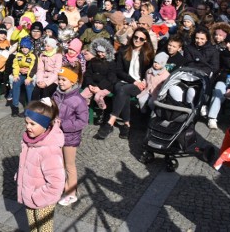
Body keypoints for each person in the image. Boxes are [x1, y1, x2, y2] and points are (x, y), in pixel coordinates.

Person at [94, 27, 155, 140]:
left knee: (123, 90)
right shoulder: (124, 50)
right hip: (124, 81)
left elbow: (150, 70)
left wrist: (143, 81)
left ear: (145, 41)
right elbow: (119, 71)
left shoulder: (148, 53)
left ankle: (110, 123)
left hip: (140, 84)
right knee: (122, 90)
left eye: (141, 39)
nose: (137, 40)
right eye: (135, 37)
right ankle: (127, 125)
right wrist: (133, 81)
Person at [16, 98, 65, 232]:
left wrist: (37, 197)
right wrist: (20, 176)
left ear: (44, 125)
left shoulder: (49, 150)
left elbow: (57, 184)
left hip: (43, 201)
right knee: (33, 228)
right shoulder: (29, 141)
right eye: (26, 123)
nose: (28, 127)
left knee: (44, 230)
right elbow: (26, 163)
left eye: (32, 124)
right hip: (29, 194)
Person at [53, 65, 88, 206]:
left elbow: (82, 121)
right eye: (59, 79)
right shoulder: (56, 94)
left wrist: (63, 124)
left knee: (69, 165)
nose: (60, 82)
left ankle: (72, 193)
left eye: (64, 80)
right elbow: (53, 110)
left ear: (73, 82)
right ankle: (63, 187)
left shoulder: (79, 100)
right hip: (56, 135)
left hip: (70, 138)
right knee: (58, 164)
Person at [10, 37, 37, 117]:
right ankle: (15, 107)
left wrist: (29, 78)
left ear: (29, 47)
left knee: (28, 86)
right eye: (22, 47)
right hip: (21, 74)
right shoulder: (18, 55)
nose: (24, 49)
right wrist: (15, 74)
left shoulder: (33, 56)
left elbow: (33, 68)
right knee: (16, 82)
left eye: (26, 47)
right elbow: (16, 65)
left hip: (30, 75)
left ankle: (30, 108)